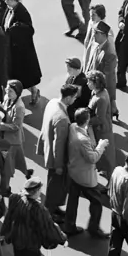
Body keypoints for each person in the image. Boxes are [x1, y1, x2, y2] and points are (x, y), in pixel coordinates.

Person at [64, 108, 111, 238]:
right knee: (96, 201)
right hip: (85, 177)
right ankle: (93, 229)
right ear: (87, 120)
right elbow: (92, 158)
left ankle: (69, 225)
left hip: (73, 172)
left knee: (72, 201)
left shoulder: (73, 127)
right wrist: (101, 146)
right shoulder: (83, 140)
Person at [39, 84, 77, 219]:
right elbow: (59, 145)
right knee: (55, 186)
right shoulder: (62, 118)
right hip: (57, 159)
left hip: (48, 150)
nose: (75, 100)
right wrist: (59, 165)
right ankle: (49, 214)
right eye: (74, 97)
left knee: (54, 185)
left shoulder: (52, 102)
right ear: (68, 98)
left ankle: (53, 208)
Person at [2, 0, 43, 103]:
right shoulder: (10, 8)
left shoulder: (22, 12)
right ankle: (31, 91)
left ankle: (28, 93)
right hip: (12, 48)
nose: (5, 1)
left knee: (22, 75)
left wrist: (17, 28)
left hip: (21, 51)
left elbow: (30, 30)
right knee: (18, 75)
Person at [0, 81, 30, 195]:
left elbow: (16, 126)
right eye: (6, 89)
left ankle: (6, 188)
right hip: (5, 138)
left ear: (17, 93)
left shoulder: (19, 107)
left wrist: (1, 126)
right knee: (13, 162)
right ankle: (26, 173)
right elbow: (4, 107)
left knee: (7, 167)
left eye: (10, 91)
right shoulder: (8, 98)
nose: (7, 92)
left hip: (12, 140)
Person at [86, 71, 115, 176]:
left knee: (106, 154)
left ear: (95, 83)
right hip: (98, 128)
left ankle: (110, 175)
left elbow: (100, 118)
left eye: (89, 81)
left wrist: (86, 120)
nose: (87, 83)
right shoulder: (97, 92)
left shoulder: (101, 98)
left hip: (102, 129)